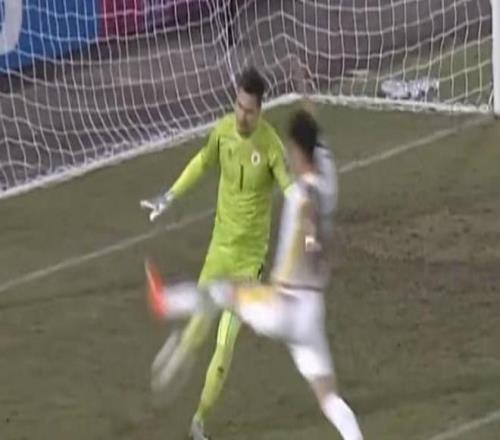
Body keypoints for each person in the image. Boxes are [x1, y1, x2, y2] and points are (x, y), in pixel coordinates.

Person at [145, 109, 364, 440]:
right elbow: (316, 145)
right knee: (329, 397)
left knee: (227, 291)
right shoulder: (329, 180)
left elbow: (307, 217)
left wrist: (310, 242)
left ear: (297, 150)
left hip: (284, 305)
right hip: (311, 315)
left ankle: (166, 302)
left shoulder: (304, 194)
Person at [140, 66, 292, 439]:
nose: (242, 115)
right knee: (197, 330)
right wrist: (170, 195)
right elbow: (202, 162)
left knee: (224, 344)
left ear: (260, 110)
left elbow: (291, 191)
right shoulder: (223, 132)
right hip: (219, 252)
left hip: (248, 265)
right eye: (238, 106)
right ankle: (177, 359)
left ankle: (199, 422)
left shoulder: (271, 147)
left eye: (249, 110)